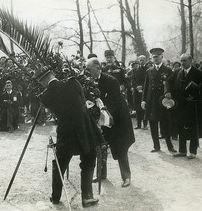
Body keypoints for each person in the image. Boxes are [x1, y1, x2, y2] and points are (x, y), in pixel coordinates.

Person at [34, 66, 103, 207]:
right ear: (53, 73)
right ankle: (87, 197)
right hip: (85, 128)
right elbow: (83, 103)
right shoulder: (73, 82)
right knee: (89, 160)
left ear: (43, 81)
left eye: (41, 82)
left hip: (66, 133)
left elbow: (54, 114)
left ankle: (55, 197)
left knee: (59, 163)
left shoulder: (45, 97)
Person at [86, 57, 135, 188]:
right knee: (100, 145)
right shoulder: (89, 81)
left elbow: (114, 102)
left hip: (117, 118)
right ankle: (101, 174)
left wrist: (101, 114)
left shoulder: (111, 80)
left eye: (89, 69)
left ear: (97, 67)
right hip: (103, 117)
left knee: (120, 147)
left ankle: (126, 177)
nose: (87, 71)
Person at [166, 54, 202, 159]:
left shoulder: (199, 73)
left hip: (193, 106)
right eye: (181, 60)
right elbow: (168, 82)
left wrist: (195, 96)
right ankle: (182, 150)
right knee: (180, 128)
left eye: (184, 60)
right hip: (180, 105)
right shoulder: (177, 72)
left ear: (190, 60)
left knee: (193, 128)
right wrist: (168, 91)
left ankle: (193, 151)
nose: (182, 63)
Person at [141, 48, 176, 153]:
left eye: (158, 56)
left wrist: (170, 98)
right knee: (153, 123)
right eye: (154, 57)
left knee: (165, 123)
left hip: (163, 101)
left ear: (162, 57)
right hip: (151, 100)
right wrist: (143, 100)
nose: (155, 59)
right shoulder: (149, 71)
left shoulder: (168, 70)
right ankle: (156, 146)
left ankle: (170, 146)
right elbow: (146, 87)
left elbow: (172, 87)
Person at [132, 55, 148, 129]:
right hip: (137, 91)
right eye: (140, 60)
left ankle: (145, 124)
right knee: (138, 108)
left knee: (144, 107)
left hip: (145, 91)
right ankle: (138, 124)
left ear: (146, 60)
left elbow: (148, 81)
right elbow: (133, 80)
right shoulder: (135, 70)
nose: (141, 61)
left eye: (143, 60)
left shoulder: (148, 70)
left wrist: (142, 86)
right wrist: (136, 87)